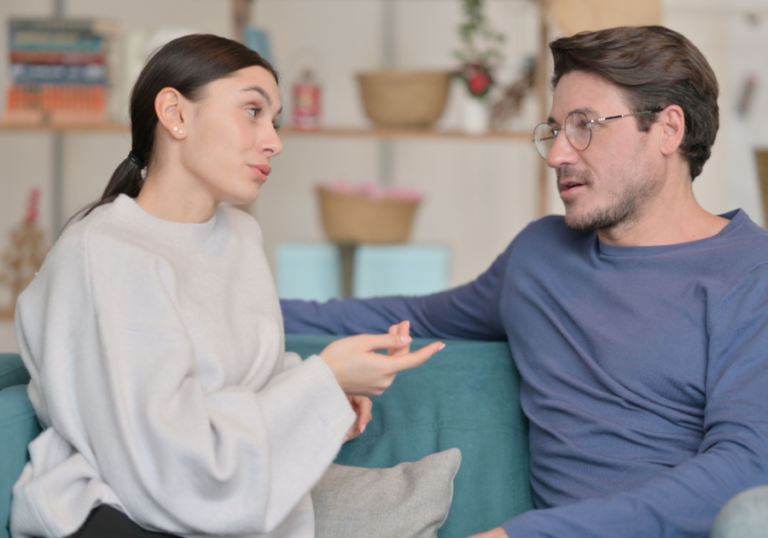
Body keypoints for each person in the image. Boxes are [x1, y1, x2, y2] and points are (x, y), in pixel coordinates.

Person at [281, 25, 768, 538]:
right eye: (554, 130)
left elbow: (746, 468)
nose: (558, 154)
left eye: (584, 126)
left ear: (668, 129)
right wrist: (233, 310)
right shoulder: (540, 257)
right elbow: (401, 318)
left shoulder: (750, 274)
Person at [11, 34, 444, 538]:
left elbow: (246, 383)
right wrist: (321, 382)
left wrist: (330, 395)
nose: (275, 141)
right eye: (253, 112)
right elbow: (166, 461)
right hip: (119, 518)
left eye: (275, 121)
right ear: (175, 113)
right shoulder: (104, 252)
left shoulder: (240, 237)